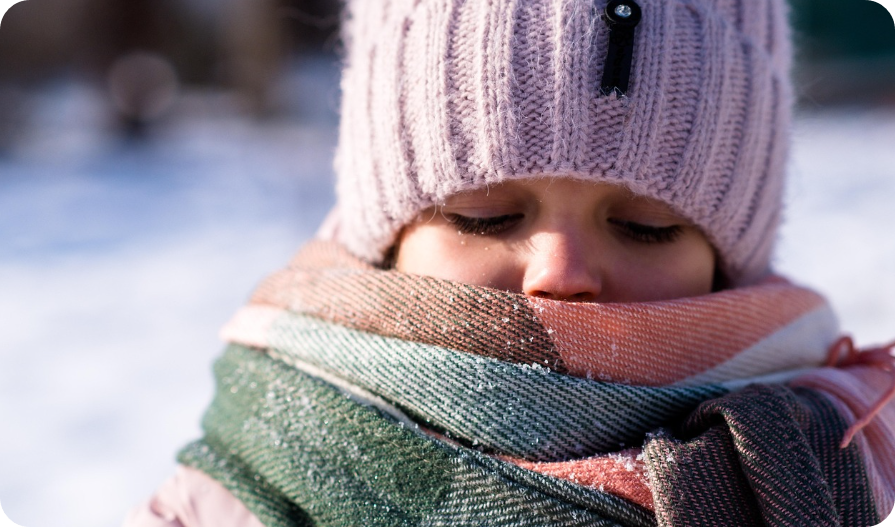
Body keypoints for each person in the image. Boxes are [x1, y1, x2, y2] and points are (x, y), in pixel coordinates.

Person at [124, 0, 895, 525]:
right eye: (483, 216)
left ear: (729, 263)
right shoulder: (234, 494)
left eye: (644, 224)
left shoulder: (838, 462)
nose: (559, 271)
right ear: (385, 240)